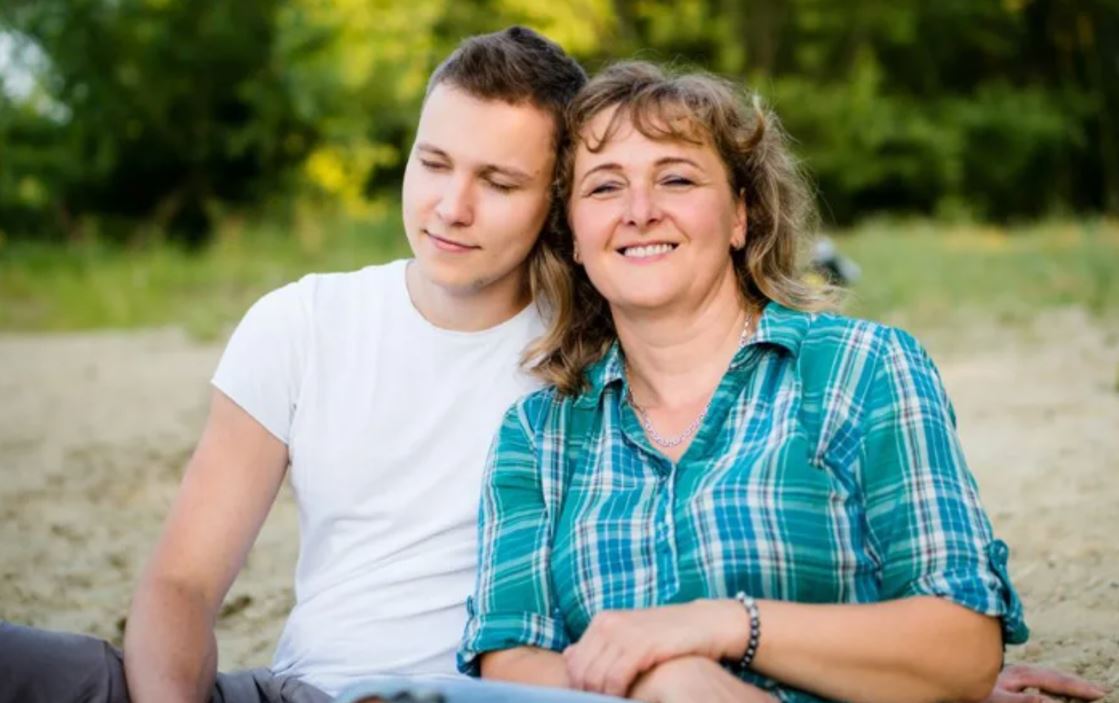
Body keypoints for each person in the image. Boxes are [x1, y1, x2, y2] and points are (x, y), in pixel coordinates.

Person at [0, 27, 1104, 703]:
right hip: (302, 693)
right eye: (432, 162)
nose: (451, 205)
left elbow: (939, 627)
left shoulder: (762, 366)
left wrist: (910, 670)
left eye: (500, 180)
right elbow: (195, 584)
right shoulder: (412, 359)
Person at [455, 61, 1107, 703]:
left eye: (676, 179)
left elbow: (960, 646)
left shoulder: (861, 369)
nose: (640, 210)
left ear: (741, 216)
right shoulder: (539, 434)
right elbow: (509, 661)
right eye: (603, 188)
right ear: (572, 235)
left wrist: (720, 625)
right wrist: (660, 681)